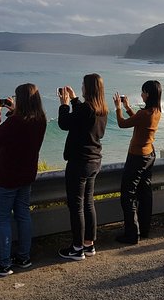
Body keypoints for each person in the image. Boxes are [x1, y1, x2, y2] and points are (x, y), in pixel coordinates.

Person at [0, 83, 47, 276]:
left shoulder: (16, 122)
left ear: (22, 100)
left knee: (2, 219)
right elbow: (18, 133)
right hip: (26, 176)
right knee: (23, 215)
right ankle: (23, 257)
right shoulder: (40, 119)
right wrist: (13, 112)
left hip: (7, 177)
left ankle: (3, 264)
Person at [57, 74, 108, 261]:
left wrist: (64, 104)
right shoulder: (101, 109)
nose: (81, 87)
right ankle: (88, 244)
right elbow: (82, 119)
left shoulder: (86, 108)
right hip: (94, 160)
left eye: (82, 86)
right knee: (88, 203)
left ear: (88, 88)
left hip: (79, 162)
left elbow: (65, 123)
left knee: (76, 205)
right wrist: (74, 100)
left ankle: (77, 248)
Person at [113, 80, 162, 244]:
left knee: (127, 195)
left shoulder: (145, 113)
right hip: (149, 154)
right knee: (145, 192)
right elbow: (138, 120)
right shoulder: (155, 111)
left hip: (137, 156)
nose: (141, 94)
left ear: (147, 94)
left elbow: (122, 124)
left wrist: (118, 108)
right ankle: (144, 229)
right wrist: (127, 107)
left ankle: (132, 234)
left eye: (143, 92)